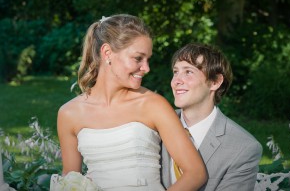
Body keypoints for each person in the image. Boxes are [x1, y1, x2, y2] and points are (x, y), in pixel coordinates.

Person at [54, 14, 207, 191]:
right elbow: (71, 179)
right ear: (107, 53)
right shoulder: (69, 114)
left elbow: (195, 173)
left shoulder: (153, 105)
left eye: (148, 59)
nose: (146, 68)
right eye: (138, 58)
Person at [161, 43, 263, 191]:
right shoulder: (156, 126)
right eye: (175, 72)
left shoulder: (243, 148)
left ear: (215, 82)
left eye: (188, 72)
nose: (176, 81)